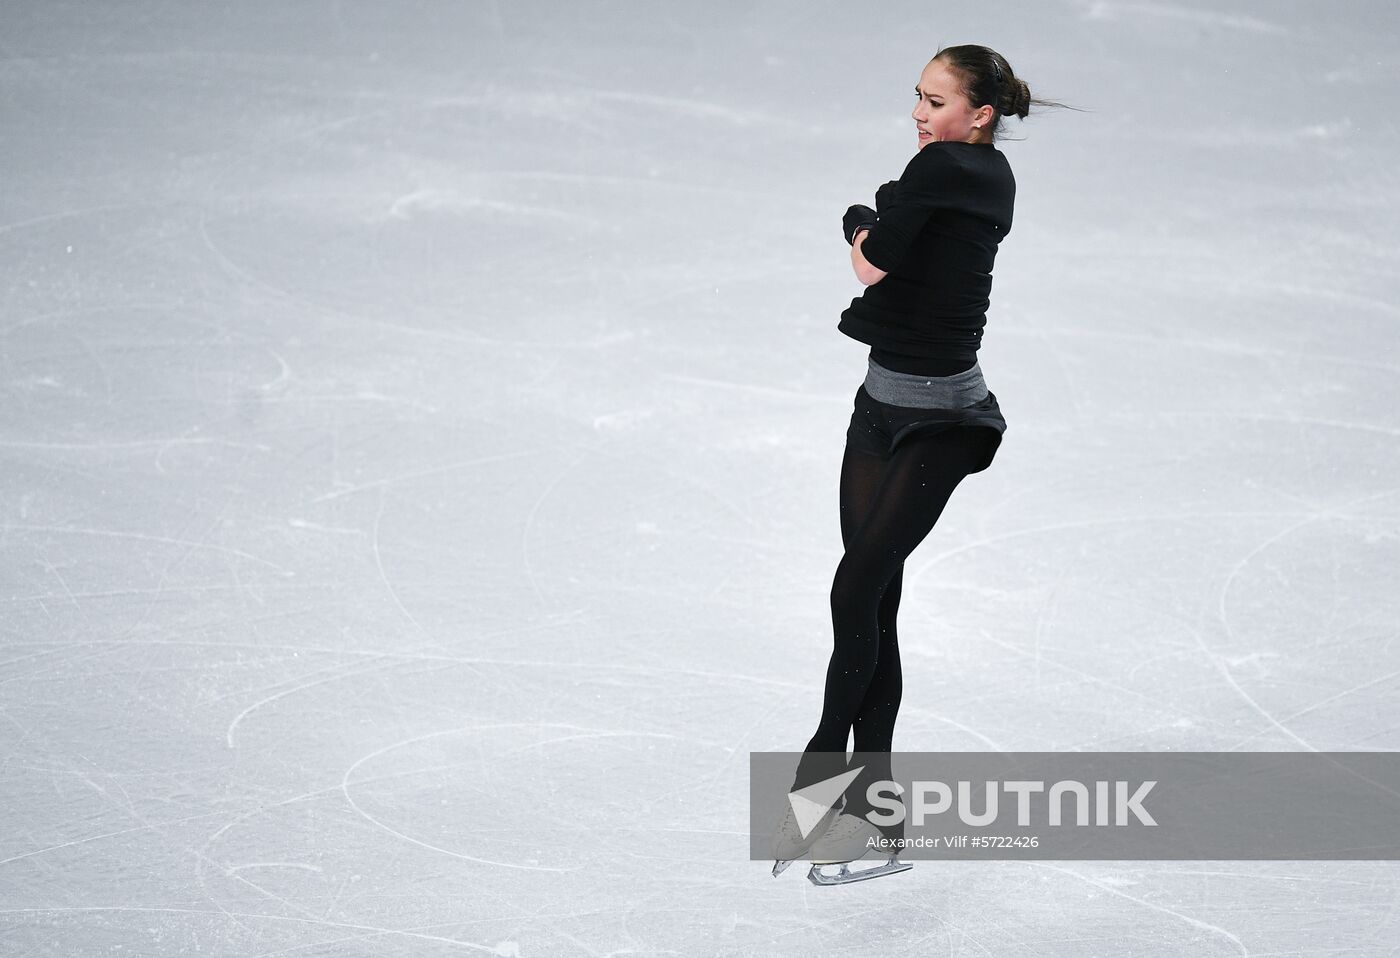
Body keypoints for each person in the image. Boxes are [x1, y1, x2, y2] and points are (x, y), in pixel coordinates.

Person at [777, 44, 1058, 884]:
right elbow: (895, 240)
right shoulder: (966, 175)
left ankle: (823, 777)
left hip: (945, 421)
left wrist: (859, 215)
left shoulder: (953, 170)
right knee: (878, 600)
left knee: (855, 586)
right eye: (917, 98)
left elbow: (873, 261)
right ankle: (874, 823)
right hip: (878, 411)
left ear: (980, 115)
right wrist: (881, 211)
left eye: (936, 101)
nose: (919, 113)